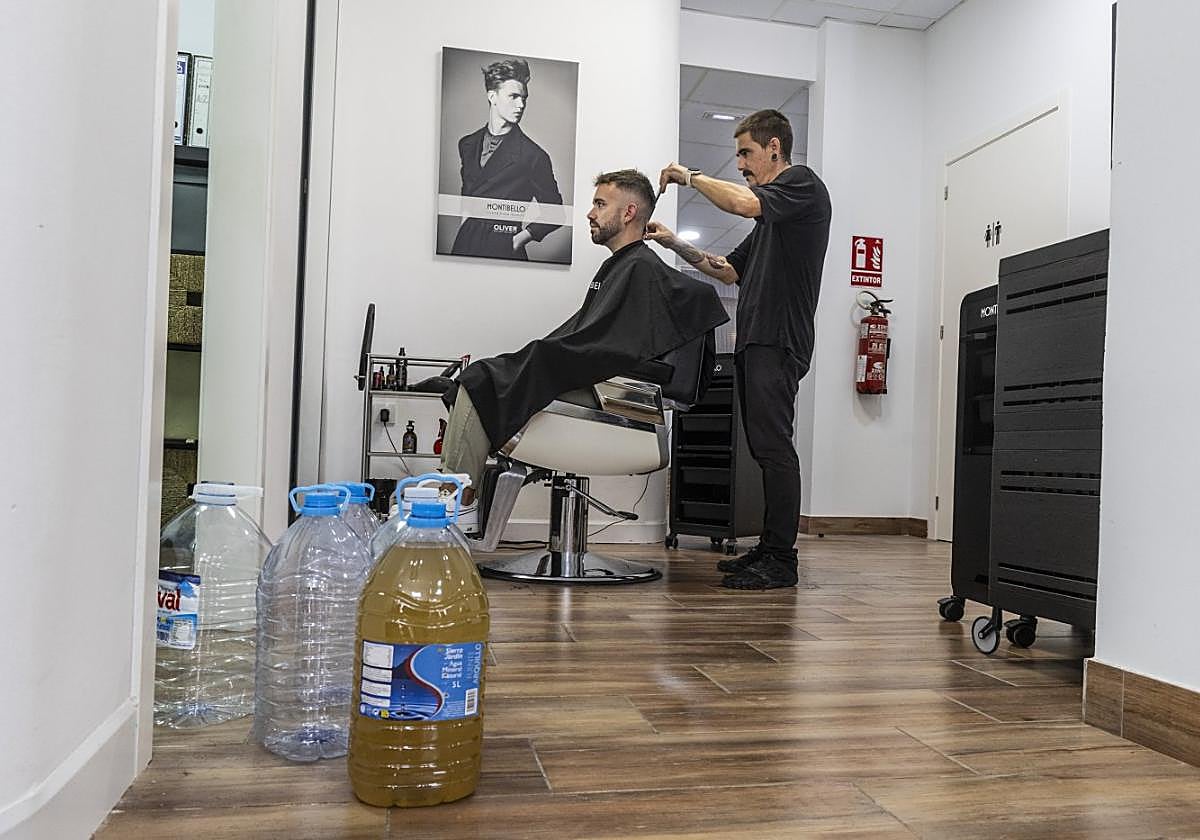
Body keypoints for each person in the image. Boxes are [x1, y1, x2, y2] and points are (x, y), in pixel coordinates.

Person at [441, 169, 729, 507]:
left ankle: (451, 501)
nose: (591, 213)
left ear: (629, 212)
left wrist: (546, 358)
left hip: (609, 392)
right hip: (596, 382)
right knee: (486, 377)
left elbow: (611, 347)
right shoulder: (621, 266)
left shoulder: (640, 268)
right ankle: (454, 496)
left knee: (484, 379)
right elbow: (595, 339)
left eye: (600, 204)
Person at [646, 109, 832, 590]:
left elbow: (743, 203)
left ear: (775, 147)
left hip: (779, 338)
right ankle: (768, 549)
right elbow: (727, 269)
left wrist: (688, 176)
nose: (742, 165)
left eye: (746, 153)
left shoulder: (802, 187)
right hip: (755, 339)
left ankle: (781, 559)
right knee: (764, 447)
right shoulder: (773, 220)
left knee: (774, 448)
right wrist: (673, 244)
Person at [450, 58, 565, 261]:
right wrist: (463, 229)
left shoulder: (534, 156)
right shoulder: (467, 144)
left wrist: (517, 241)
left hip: (502, 247)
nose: (521, 105)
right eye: (513, 96)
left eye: (524, 98)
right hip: (464, 244)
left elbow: (555, 213)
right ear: (492, 97)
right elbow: (468, 197)